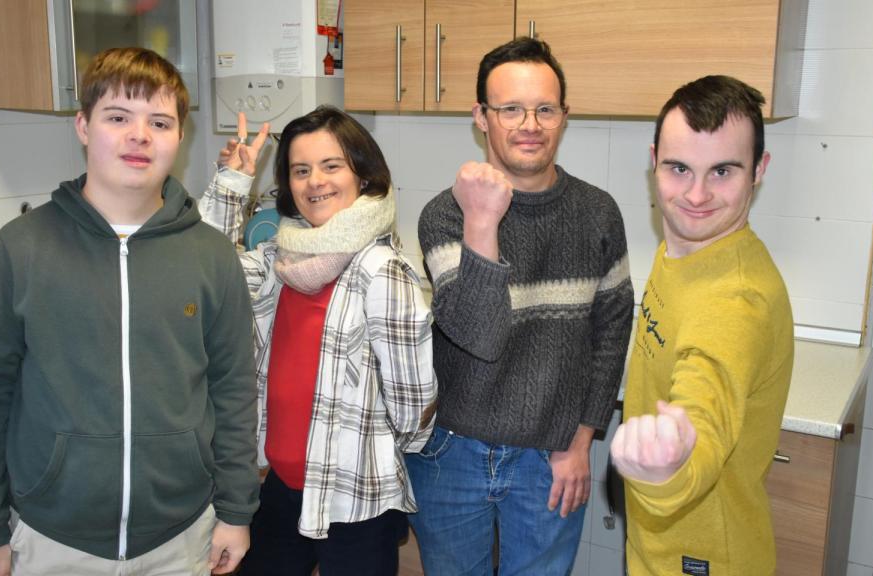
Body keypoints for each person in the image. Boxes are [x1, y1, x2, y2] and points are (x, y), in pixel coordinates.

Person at [0, 47, 259, 576]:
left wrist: (235, 511)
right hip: (53, 538)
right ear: (83, 126)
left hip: (181, 537)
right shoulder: (20, 249)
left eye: (159, 122)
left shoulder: (211, 256)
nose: (139, 135)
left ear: (178, 139)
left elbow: (233, 392)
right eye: (118, 117)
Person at [408, 37, 634, 575]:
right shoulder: (444, 216)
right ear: (481, 117)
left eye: (545, 108)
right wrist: (482, 220)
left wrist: (581, 442)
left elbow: (611, 338)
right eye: (510, 108)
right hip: (449, 455)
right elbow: (478, 335)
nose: (529, 123)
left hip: (550, 458)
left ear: (563, 116)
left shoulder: (598, 213)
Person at [199, 105, 437, 576]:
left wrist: (367, 451)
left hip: (356, 500)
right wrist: (231, 183)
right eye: (300, 170)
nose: (315, 182)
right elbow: (202, 269)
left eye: (332, 166)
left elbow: (414, 406)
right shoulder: (276, 259)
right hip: (278, 486)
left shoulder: (383, 272)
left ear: (363, 177)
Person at [609, 75, 794, 575]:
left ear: (759, 170)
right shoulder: (687, 251)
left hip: (703, 557)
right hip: (662, 541)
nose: (695, 195)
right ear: (654, 162)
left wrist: (669, 468)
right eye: (678, 168)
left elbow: (704, 413)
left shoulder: (735, 301)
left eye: (723, 171)